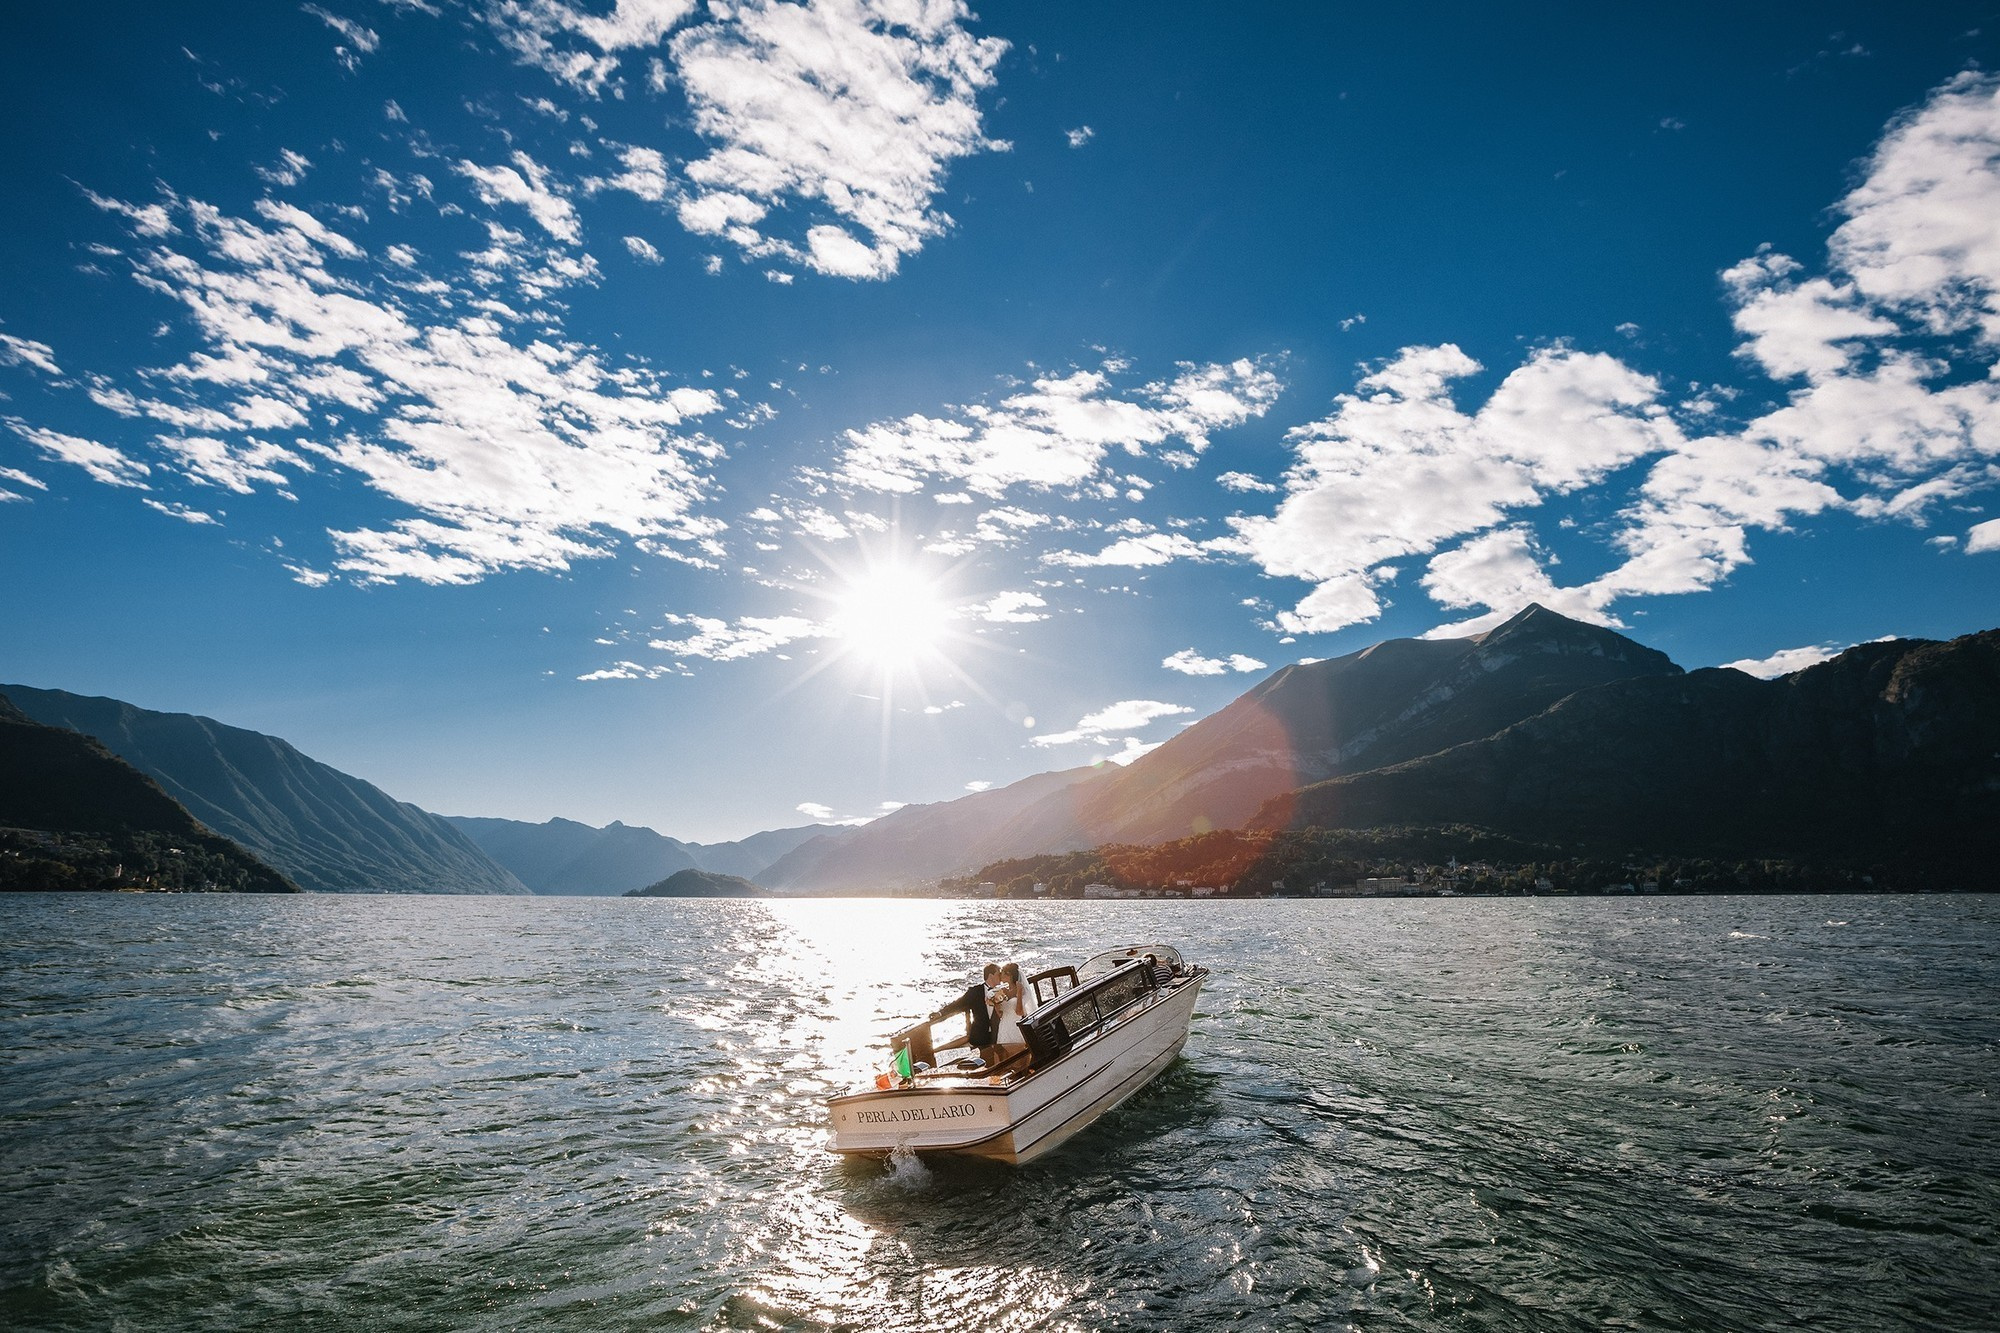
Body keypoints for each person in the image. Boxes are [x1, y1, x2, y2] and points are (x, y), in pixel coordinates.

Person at [929, 963, 1000, 1060]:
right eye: (998, 974)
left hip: (998, 1034)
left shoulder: (1002, 991)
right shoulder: (975, 992)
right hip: (980, 1035)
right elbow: (958, 1004)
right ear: (991, 975)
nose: (1000, 976)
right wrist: (940, 1013)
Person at [991, 961, 1029, 1061]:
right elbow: (1000, 1014)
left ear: (1009, 975)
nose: (1000, 975)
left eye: (1002, 972)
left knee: (1018, 1060)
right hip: (1004, 1028)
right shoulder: (1002, 991)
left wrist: (1019, 993)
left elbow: (1020, 1012)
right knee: (1004, 1060)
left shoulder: (1021, 990)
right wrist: (995, 1004)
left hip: (1015, 1028)